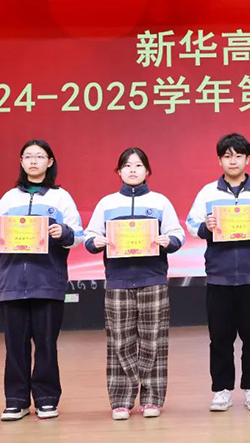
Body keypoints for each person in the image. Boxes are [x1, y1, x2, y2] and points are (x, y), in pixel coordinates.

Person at [0, 139, 83, 421]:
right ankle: (16, 401)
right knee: (15, 345)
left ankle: (47, 399)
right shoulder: (9, 198)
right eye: (28, 156)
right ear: (21, 162)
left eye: (39, 156)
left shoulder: (61, 198)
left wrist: (63, 233)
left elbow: (78, 235)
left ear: (50, 162)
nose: (33, 161)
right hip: (12, 282)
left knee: (46, 344)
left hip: (48, 281)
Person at [84, 147, 185, 420]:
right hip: (117, 280)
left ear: (147, 170)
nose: (132, 170)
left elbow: (177, 234)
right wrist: (95, 241)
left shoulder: (160, 202)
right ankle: (121, 401)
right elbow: (89, 236)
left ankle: (151, 399)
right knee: (120, 340)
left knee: (154, 340)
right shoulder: (107, 204)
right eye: (127, 165)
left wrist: (169, 240)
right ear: (119, 171)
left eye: (138, 165)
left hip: (153, 279)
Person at [186, 133, 250, 412]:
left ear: (247, 159)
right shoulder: (208, 193)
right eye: (227, 156)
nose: (233, 161)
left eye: (238, 156)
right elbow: (192, 224)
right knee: (220, 337)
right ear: (219, 160)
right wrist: (206, 226)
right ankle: (222, 390)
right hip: (220, 275)